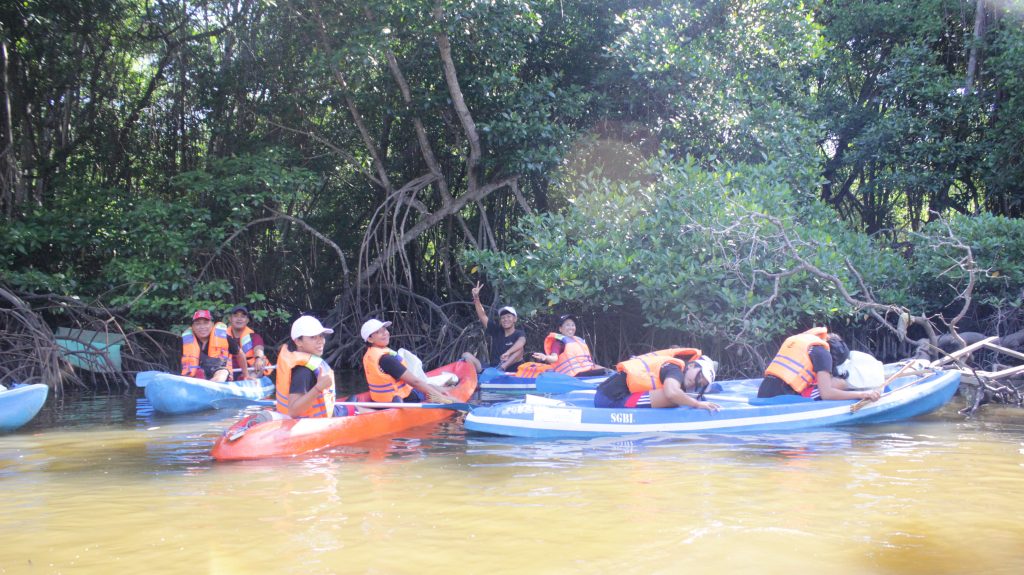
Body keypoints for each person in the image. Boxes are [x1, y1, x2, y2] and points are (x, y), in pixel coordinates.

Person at [757, 327, 881, 401]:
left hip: (763, 391)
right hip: (782, 396)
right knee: (840, 383)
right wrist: (861, 394)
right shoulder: (824, 354)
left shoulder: (798, 342)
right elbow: (826, 394)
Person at [274, 315, 356, 418]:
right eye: (312, 337)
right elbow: (293, 411)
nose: (320, 341)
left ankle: (351, 407)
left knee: (353, 401)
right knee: (356, 406)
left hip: (321, 415)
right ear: (298, 342)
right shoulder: (303, 371)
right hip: (310, 422)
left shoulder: (306, 365)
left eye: (321, 336)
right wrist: (319, 387)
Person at [361, 319, 457, 404]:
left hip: (380, 401)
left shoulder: (369, 355)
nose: (385, 333)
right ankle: (450, 393)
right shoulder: (386, 359)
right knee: (428, 388)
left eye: (384, 329)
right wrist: (443, 399)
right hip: (404, 399)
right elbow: (415, 382)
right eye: (378, 332)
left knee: (430, 386)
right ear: (370, 339)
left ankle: (449, 389)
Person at [594, 348, 720, 411]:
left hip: (605, 394)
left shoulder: (675, 368)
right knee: (673, 398)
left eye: (700, 384)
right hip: (610, 401)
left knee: (680, 397)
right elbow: (672, 393)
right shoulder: (675, 370)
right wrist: (697, 404)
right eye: (698, 376)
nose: (696, 382)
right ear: (692, 365)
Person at [461, 281, 526, 373]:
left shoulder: (519, 333)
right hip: (493, 369)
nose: (505, 319)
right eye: (503, 317)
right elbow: (482, 316)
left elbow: (521, 342)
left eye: (508, 317)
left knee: (520, 349)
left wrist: (508, 353)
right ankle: (476, 376)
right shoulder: (496, 331)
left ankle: (502, 368)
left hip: (510, 370)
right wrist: (476, 298)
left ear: (514, 319)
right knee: (466, 355)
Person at [529, 314, 608, 377]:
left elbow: (589, 363)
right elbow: (554, 358)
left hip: (586, 370)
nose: (571, 328)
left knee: (610, 371)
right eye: (567, 325)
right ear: (560, 329)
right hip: (573, 375)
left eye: (573, 325)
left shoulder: (578, 341)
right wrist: (545, 357)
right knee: (605, 372)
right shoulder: (558, 343)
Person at [180, 309, 249, 382]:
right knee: (196, 373)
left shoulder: (225, 338)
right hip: (197, 375)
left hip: (220, 372)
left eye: (206, 323)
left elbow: (240, 354)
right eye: (198, 324)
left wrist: (246, 375)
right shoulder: (187, 341)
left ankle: (209, 385)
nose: (202, 327)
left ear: (212, 324)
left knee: (222, 373)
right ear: (193, 327)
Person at [226, 305, 270, 378]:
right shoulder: (223, 336)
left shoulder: (254, 336)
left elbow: (259, 349)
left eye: (243, 316)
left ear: (247, 320)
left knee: (262, 360)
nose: (239, 319)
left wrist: (258, 358)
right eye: (236, 316)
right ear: (230, 319)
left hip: (248, 370)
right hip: (227, 369)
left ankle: (248, 380)